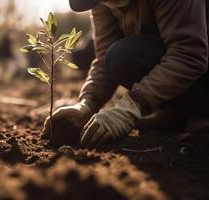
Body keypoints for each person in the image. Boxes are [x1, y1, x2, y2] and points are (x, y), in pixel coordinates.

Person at [43, 0, 209, 148]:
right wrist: (86, 106)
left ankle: (200, 112)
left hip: (201, 63)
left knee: (124, 55)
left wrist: (131, 107)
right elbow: (103, 61)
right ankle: (178, 113)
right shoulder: (102, 3)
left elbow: (189, 55)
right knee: (121, 58)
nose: (105, 3)